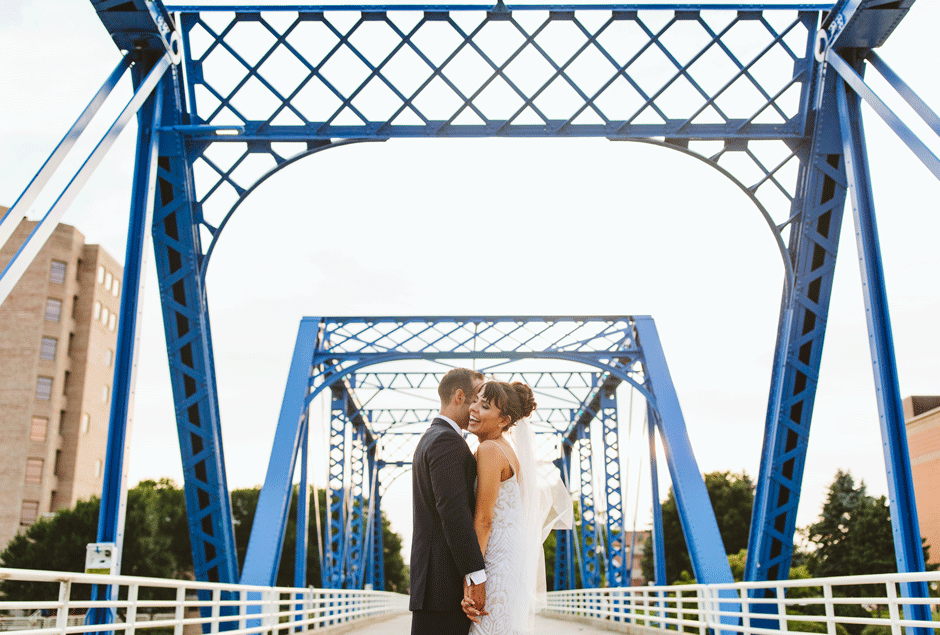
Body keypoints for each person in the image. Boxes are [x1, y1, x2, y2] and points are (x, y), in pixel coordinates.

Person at [462, 380, 543, 635]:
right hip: (508, 559)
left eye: (485, 406)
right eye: (475, 400)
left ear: (503, 420)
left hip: (495, 561)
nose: (474, 408)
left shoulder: (490, 449)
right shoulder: (506, 449)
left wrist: (472, 578)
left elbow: (484, 520)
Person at [410, 368, 487, 635]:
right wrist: (476, 574)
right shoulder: (447, 440)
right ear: (459, 396)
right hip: (443, 586)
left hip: (433, 586)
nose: (478, 408)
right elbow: (453, 513)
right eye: (477, 399)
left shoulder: (432, 437)